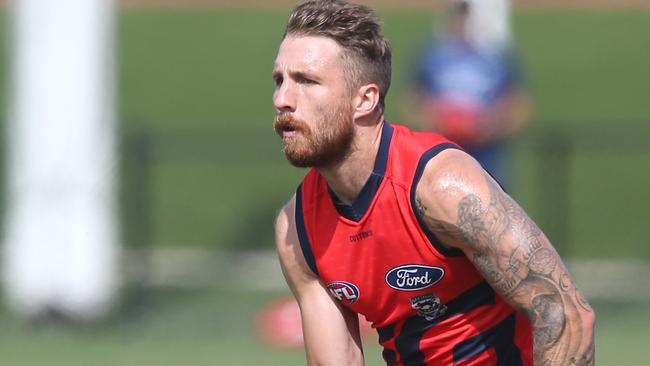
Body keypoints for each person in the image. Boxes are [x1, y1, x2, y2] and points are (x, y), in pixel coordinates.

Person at [272, 1, 594, 365]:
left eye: (307, 81)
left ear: (364, 100)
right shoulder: (296, 230)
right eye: (279, 81)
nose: (283, 100)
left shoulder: (442, 188)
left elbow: (565, 316)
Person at [412, 0, 530, 189]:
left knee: (493, 202)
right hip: (443, 148)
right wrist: (437, 124)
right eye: (459, 18)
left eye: (466, 19)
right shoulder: (432, 55)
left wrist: (492, 127)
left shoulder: (495, 56)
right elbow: (414, 100)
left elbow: (518, 103)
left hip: (487, 152)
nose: (462, 24)